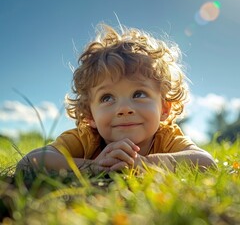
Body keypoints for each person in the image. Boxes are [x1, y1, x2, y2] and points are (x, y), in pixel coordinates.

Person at [16, 23, 216, 175]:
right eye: (107, 97)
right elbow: (28, 163)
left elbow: (207, 162)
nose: (124, 109)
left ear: (164, 108)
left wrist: (146, 164)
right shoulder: (85, 138)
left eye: (139, 94)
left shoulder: (166, 137)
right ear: (89, 115)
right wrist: (93, 166)